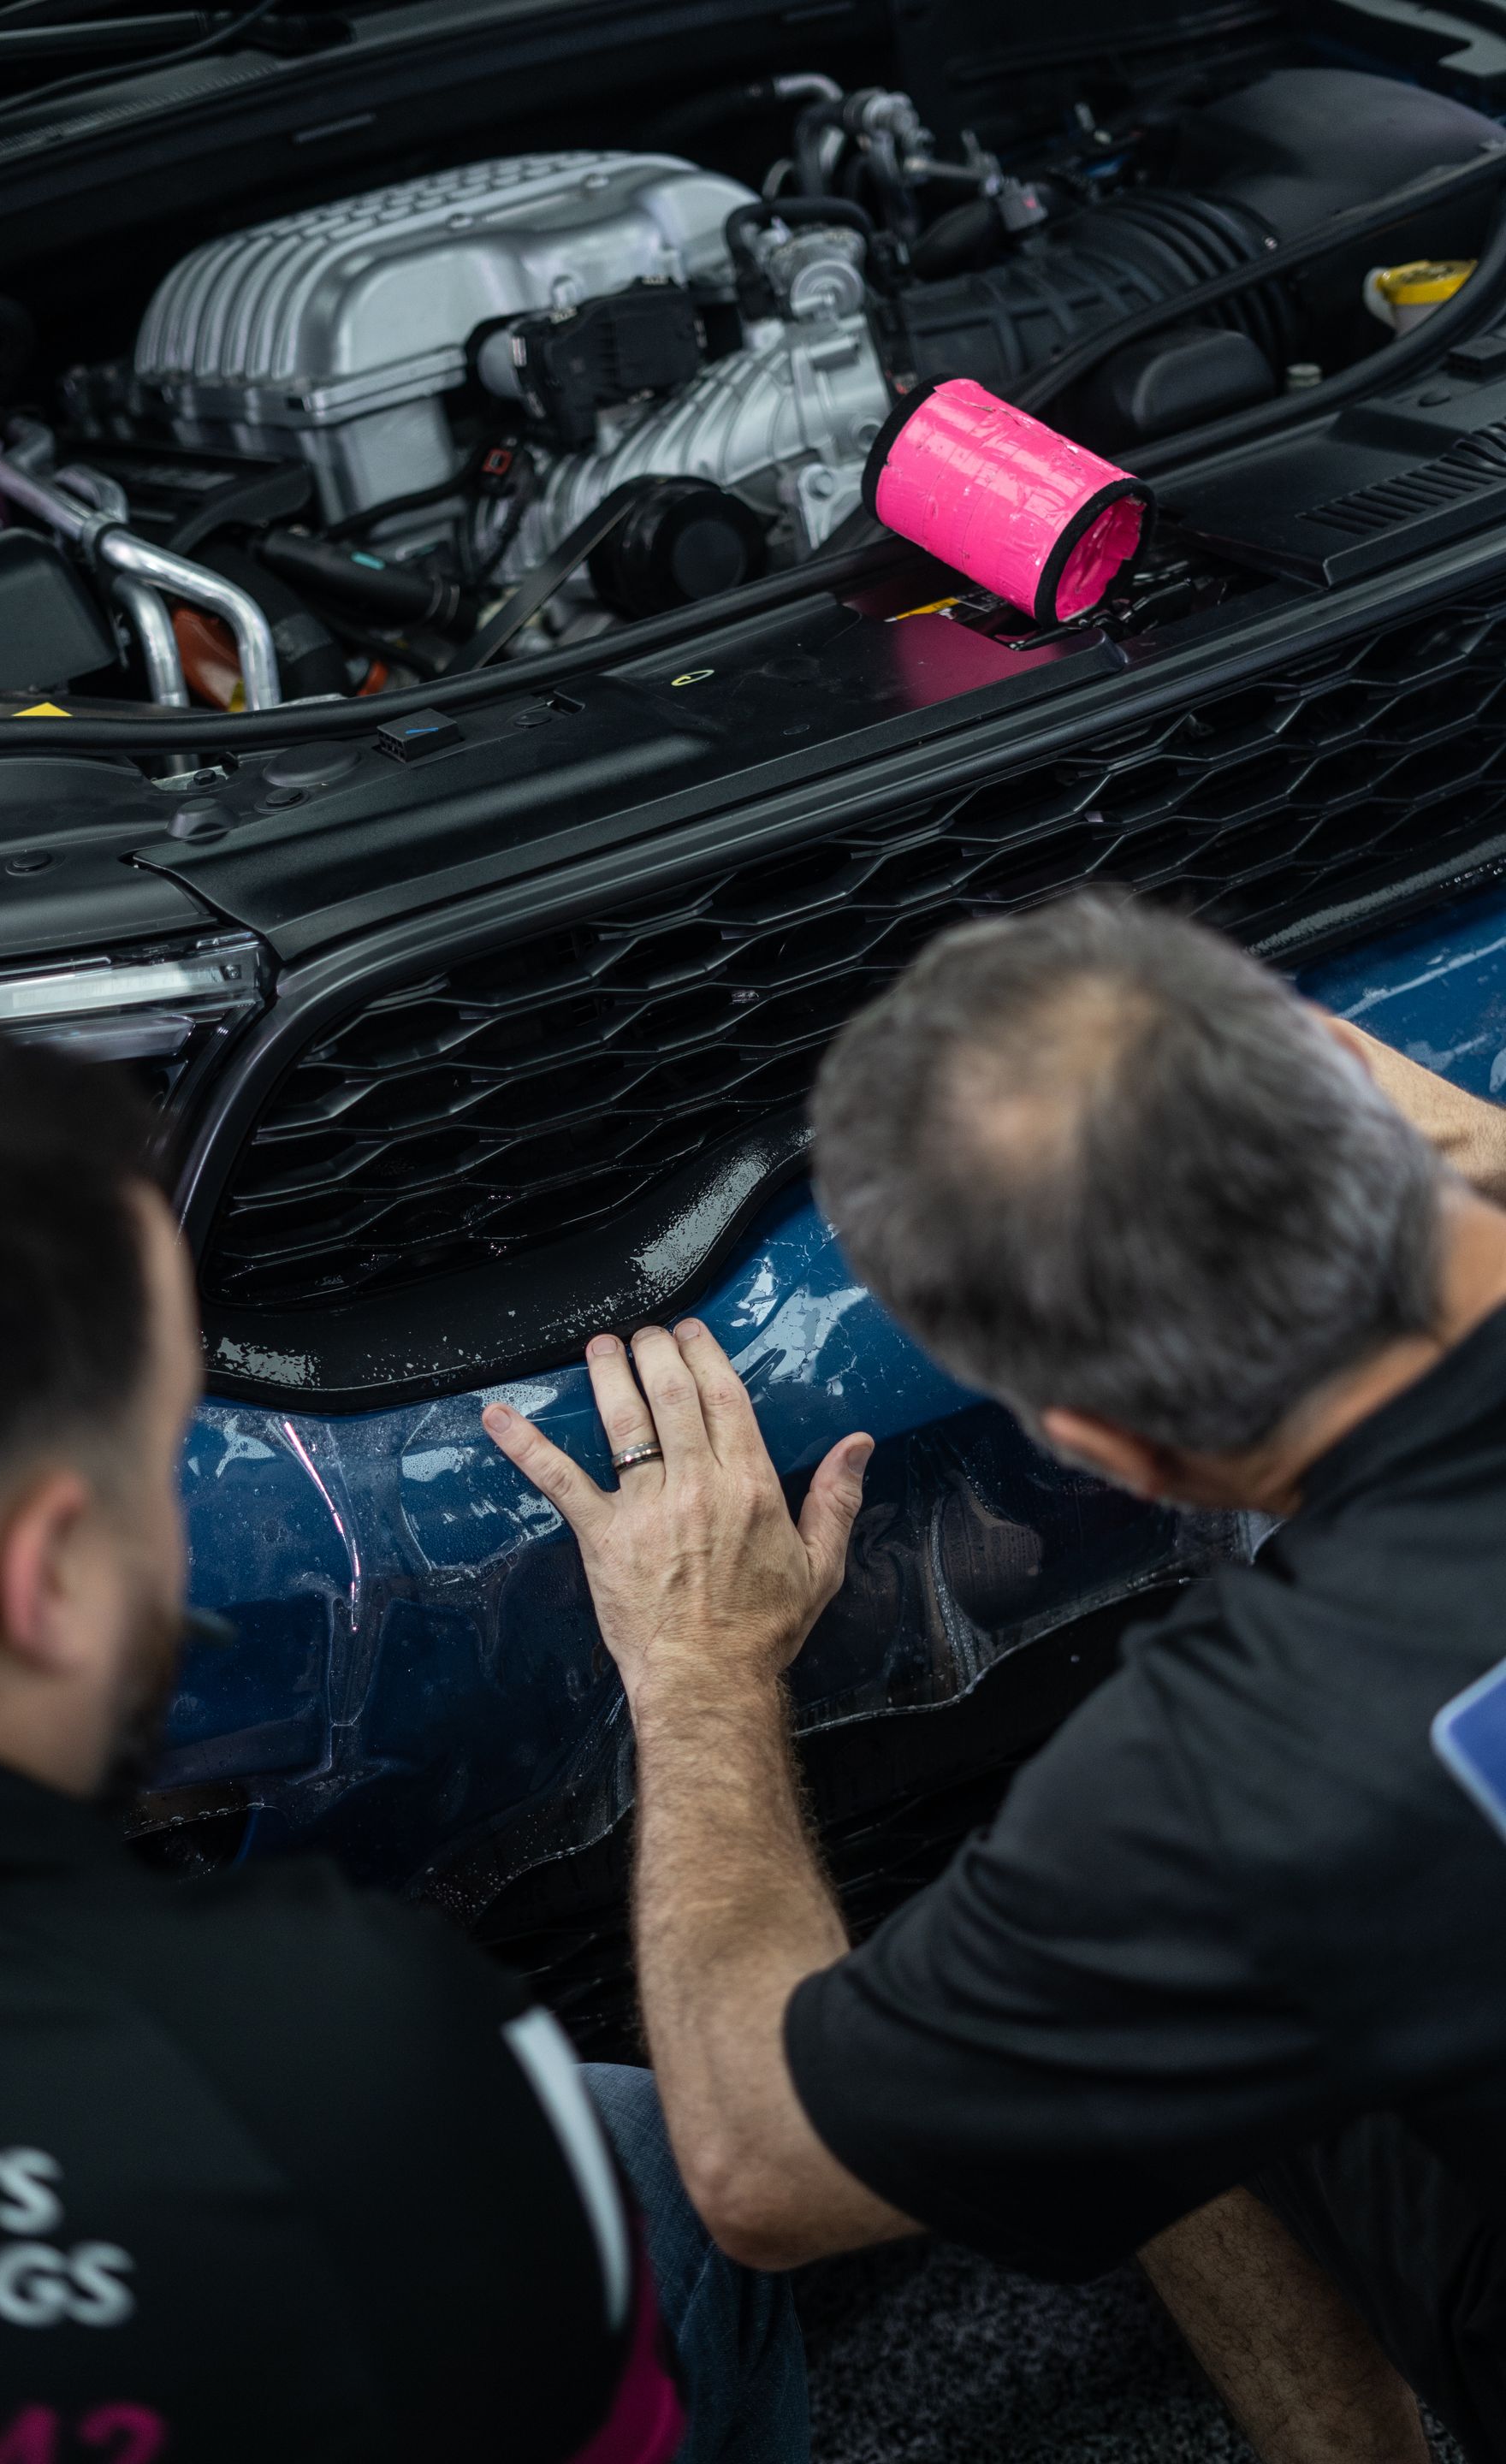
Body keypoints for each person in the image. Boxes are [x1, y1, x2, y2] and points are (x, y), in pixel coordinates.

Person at [484, 892, 1506, 2464]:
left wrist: (700, 1670)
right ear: (1350, 1075)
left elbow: (758, 2163)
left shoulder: (1220, 1794)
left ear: (1099, 1448)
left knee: (1131, 2002)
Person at [0, 1027, 802, 2464]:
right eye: (160, 1453)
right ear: (45, 1575)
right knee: (647, 2160)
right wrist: (702, 1675)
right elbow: (769, 2162)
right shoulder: (344, 2051)